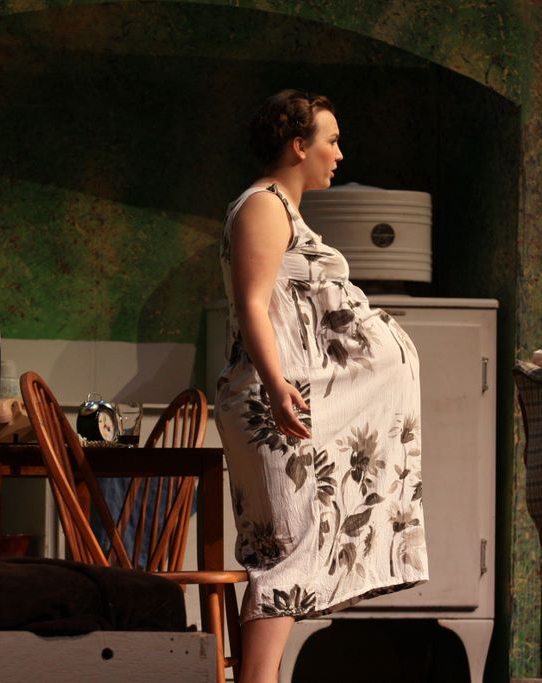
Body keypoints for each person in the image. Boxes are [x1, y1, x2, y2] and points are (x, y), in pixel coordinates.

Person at [215, 89, 428, 683]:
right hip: (272, 401)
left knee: (287, 551)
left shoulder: (283, 209)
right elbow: (253, 304)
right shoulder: (262, 206)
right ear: (297, 145)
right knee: (282, 552)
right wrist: (277, 384)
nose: (339, 153)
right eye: (330, 141)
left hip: (284, 397)